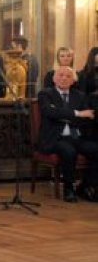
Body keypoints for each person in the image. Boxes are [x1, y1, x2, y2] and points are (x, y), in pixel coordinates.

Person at [37, 66, 98, 202]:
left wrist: (62, 114)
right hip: (55, 138)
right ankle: (69, 189)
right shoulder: (45, 94)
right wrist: (77, 113)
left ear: (73, 81)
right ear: (54, 79)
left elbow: (88, 117)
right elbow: (49, 112)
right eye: (60, 75)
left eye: (68, 76)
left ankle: (86, 185)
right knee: (68, 150)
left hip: (76, 137)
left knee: (95, 149)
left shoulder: (80, 96)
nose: (64, 78)